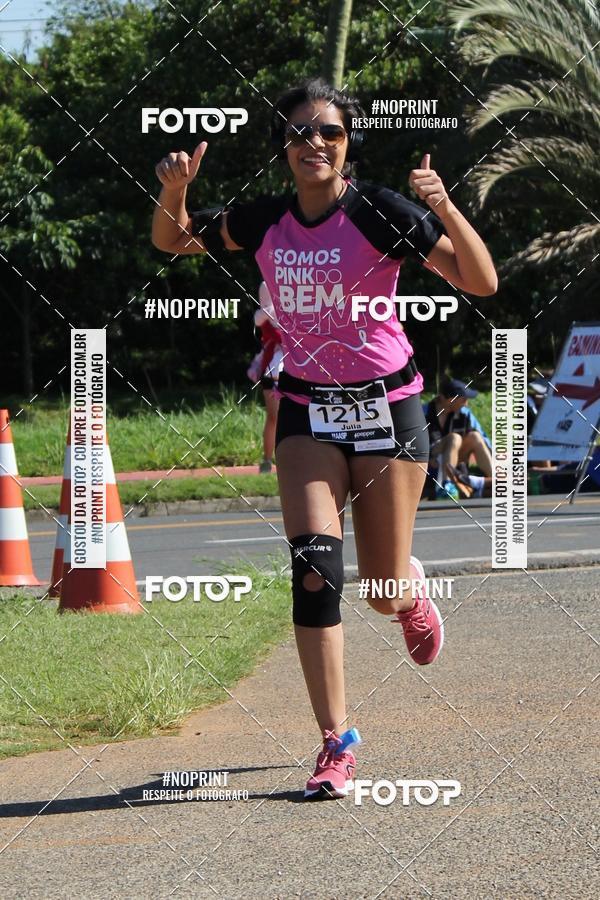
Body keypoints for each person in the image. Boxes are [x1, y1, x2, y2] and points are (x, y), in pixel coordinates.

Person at [152, 78, 497, 799]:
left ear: (348, 145)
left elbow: (481, 279)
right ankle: (335, 743)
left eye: (330, 133)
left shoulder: (380, 213)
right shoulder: (266, 218)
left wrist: (442, 204)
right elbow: (174, 240)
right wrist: (177, 192)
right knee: (314, 569)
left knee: (379, 588)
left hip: (388, 408)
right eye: (302, 132)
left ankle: (410, 594)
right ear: (283, 146)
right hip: (308, 408)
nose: (316, 144)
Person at [423, 377, 492, 497]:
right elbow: (409, 443)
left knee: (475, 436)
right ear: (448, 399)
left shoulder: (465, 414)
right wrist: (428, 458)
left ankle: (495, 481)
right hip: (429, 462)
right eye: (463, 399)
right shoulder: (424, 413)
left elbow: (484, 440)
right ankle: (446, 486)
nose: (466, 403)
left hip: (456, 462)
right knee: (454, 438)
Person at [246, 282, 283, 473]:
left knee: (281, 417)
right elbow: (260, 317)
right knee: (274, 417)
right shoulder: (267, 287)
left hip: (296, 367)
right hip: (275, 367)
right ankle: (268, 462)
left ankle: (278, 461)